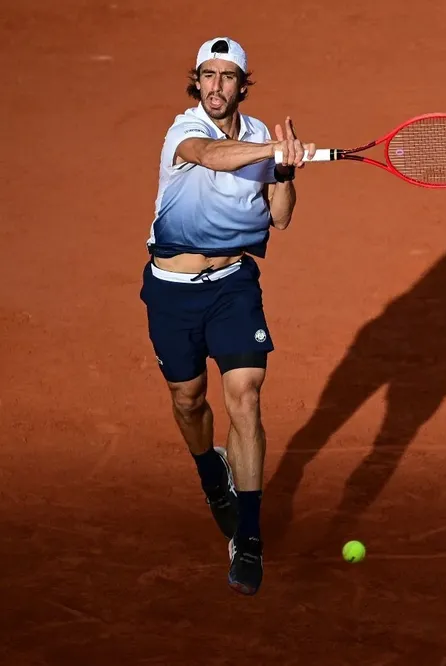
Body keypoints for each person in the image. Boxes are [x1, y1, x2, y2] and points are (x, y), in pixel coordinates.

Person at [139, 36, 314, 596]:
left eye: (227, 77)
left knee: (246, 395)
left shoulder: (263, 135)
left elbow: (280, 220)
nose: (215, 87)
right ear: (197, 82)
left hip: (234, 285)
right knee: (189, 399)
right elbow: (211, 157)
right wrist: (272, 155)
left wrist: (285, 172)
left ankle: (251, 536)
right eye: (207, 76)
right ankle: (213, 477)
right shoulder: (182, 130)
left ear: (243, 84)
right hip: (172, 291)